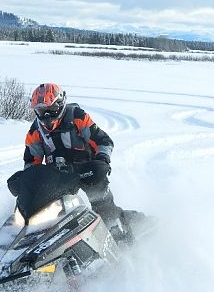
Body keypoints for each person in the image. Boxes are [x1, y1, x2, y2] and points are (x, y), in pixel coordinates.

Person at [23, 83, 138, 242]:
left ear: (61, 103)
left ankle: (122, 236)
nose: (47, 116)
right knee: (49, 213)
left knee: (103, 207)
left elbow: (103, 141)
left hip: (88, 170)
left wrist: (102, 160)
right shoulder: (34, 131)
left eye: (51, 110)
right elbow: (31, 162)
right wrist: (30, 182)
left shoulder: (77, 116)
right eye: (42, 111)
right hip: (58, 177)